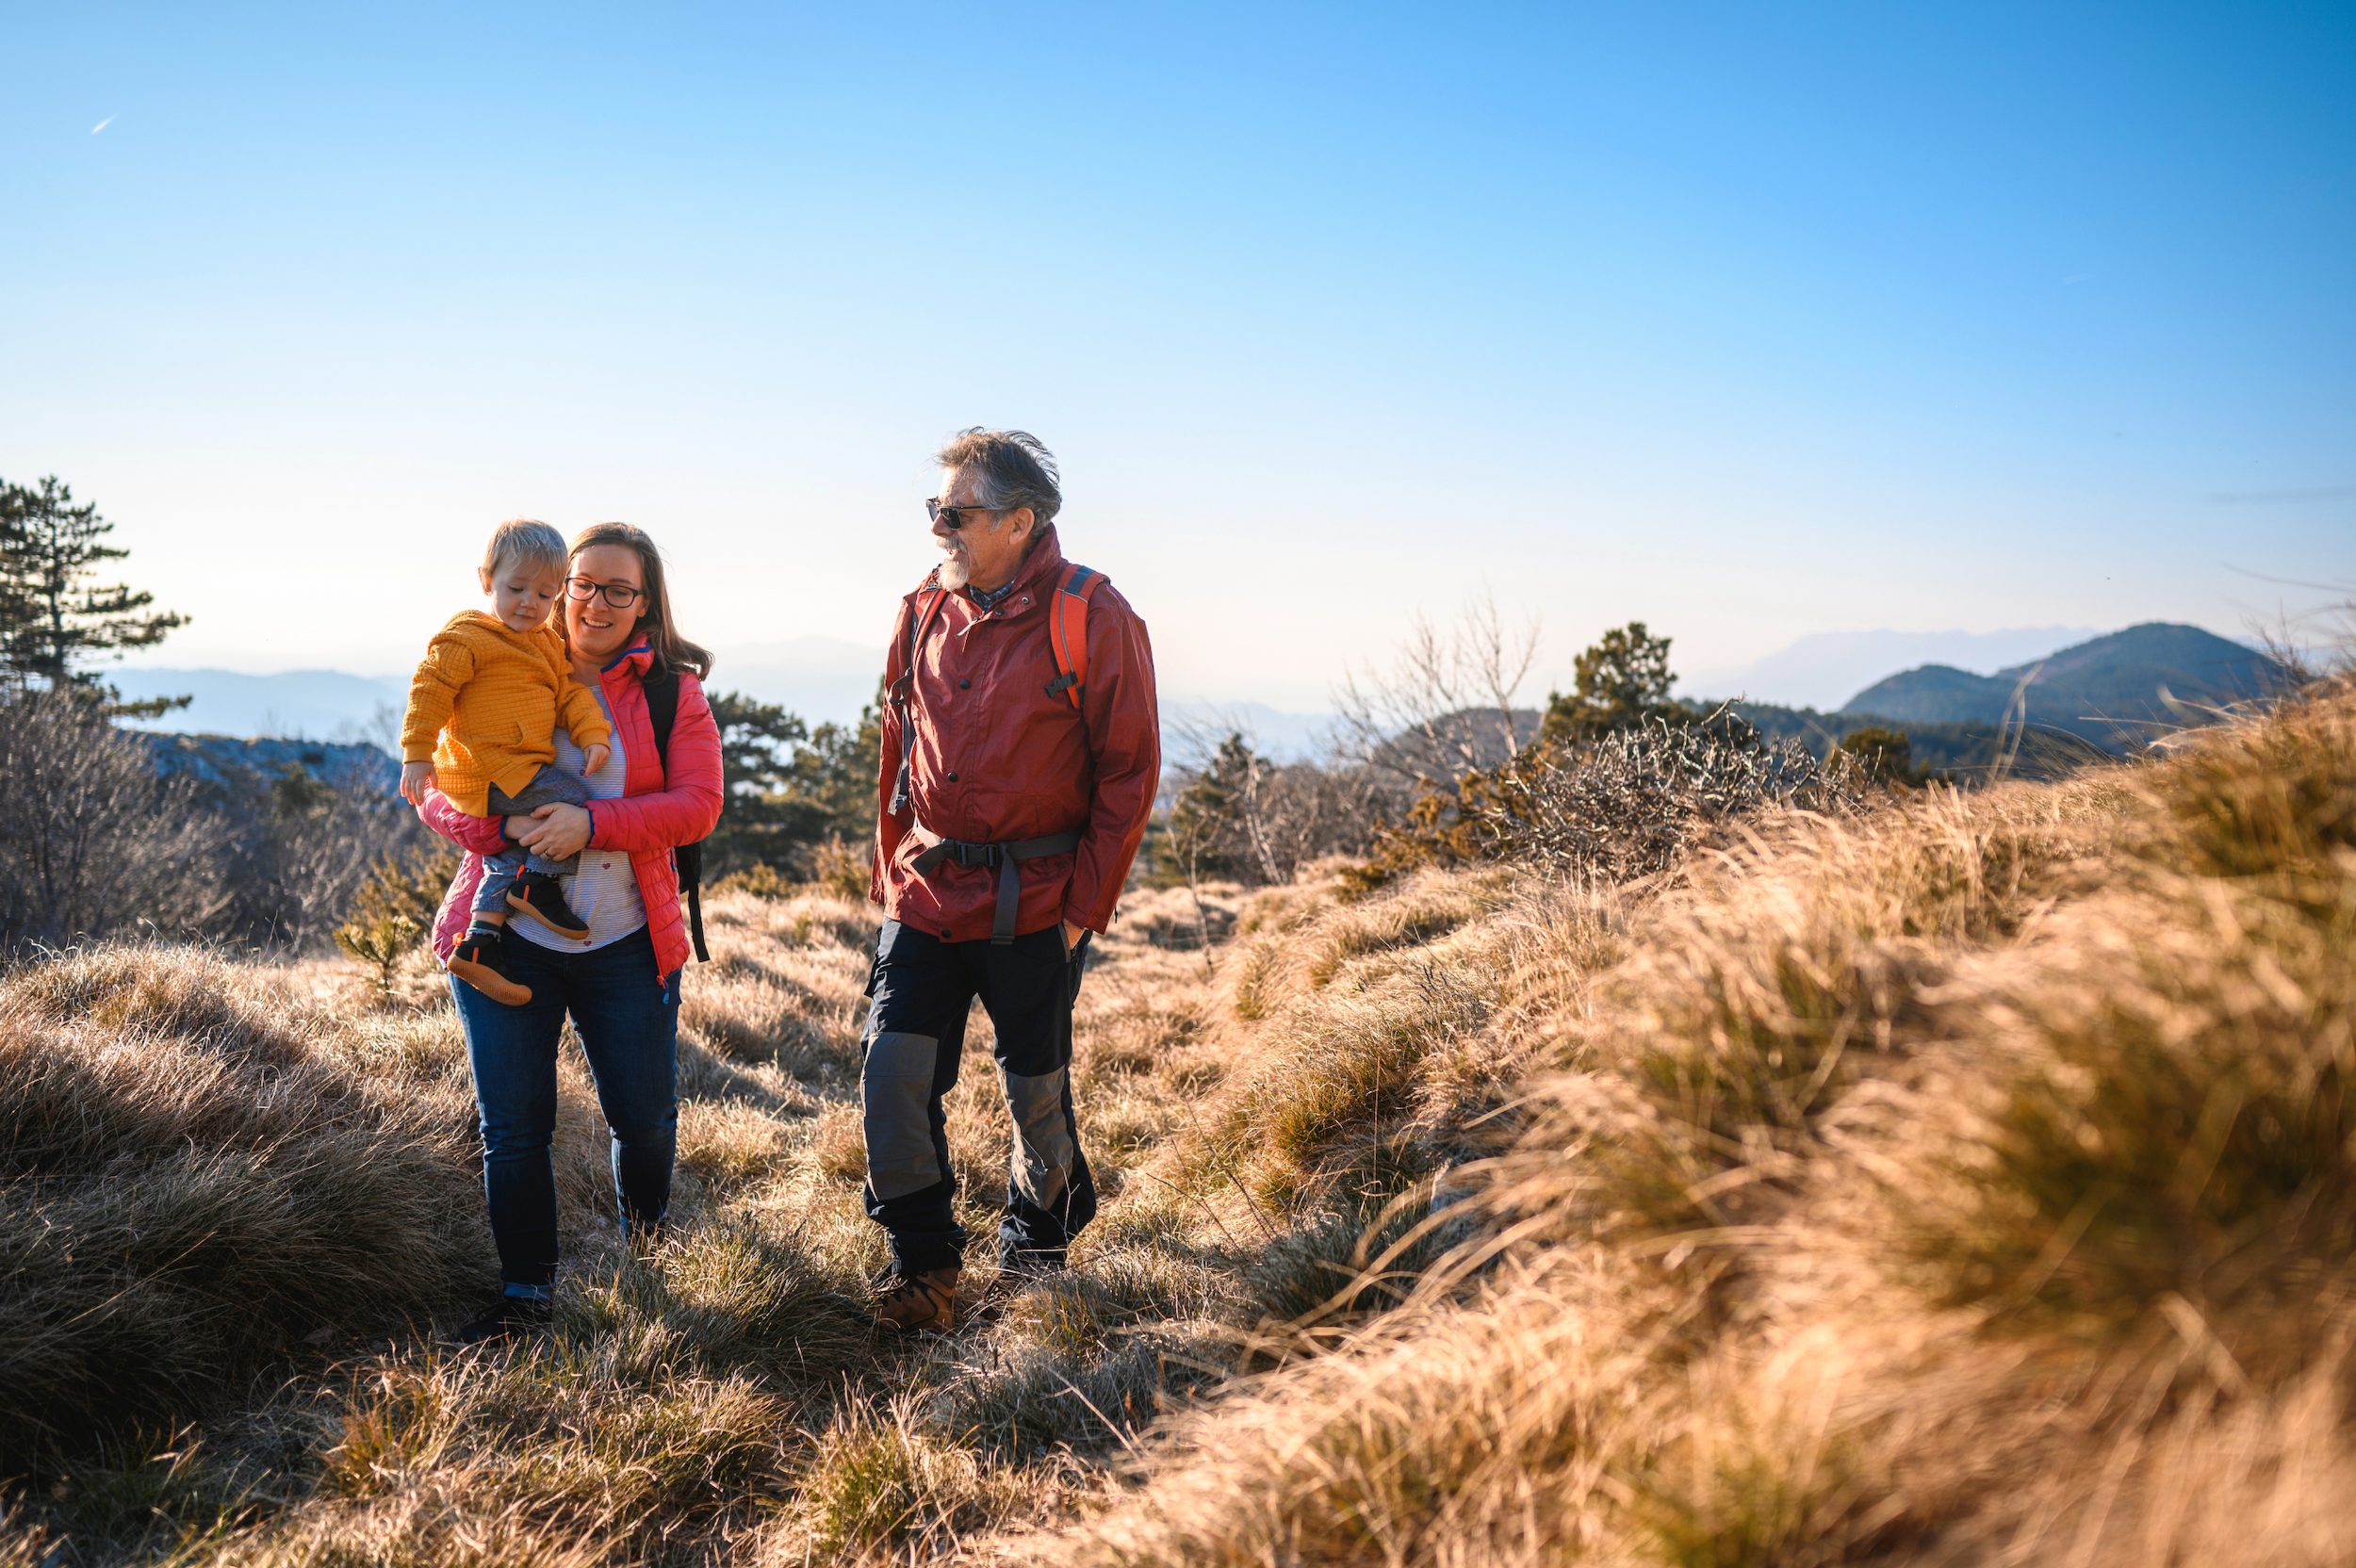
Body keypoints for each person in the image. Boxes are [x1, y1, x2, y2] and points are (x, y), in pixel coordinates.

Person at [860, 429, 1160, 1332]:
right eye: (934, 510)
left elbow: (1129, 775)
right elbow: (895, 739)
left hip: (1039, 902)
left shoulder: (1093, 616)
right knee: (892, 1073)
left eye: (958, 513)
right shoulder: (923, 608)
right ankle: (925, 1269)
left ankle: (1039, 1238)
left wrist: (1081, 914)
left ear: (1022, 522)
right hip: (925, 889)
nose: (940, 528)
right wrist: (888, 867)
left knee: (1036, 1090)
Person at [415, 521, 723, 1344]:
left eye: (618, 589)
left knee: (646, 1119)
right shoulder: (495, 655)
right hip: (506, 936)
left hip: (625, 940)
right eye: (583, 582)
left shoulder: (671, 694)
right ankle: (525, 1296)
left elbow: (698, 806)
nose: (594, 601)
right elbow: (435, 792)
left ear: (644, 602)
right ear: (560, 585)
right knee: (514, 1128)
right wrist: (503, 833)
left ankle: (648, 1260)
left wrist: (592, 824)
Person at [398, 519, 615, 1003]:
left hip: (516, 768)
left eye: (545, 594)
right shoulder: (470, 635)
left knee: (509, 856)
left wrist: (592, 733)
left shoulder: (544, 644)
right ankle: (536, 885)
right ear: (486, 579)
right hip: (486, 767)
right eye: (516, 588)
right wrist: (417, 754)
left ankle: (480, 943)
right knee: (572, 801)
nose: (529, 603)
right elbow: (429, 690)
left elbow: (571, 695)